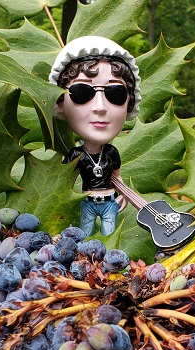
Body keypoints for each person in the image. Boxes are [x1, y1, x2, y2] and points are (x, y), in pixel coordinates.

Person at [49, 36, 141, 238]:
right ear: (60, 102)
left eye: (115, 93)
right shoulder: (76, 155)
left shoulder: (112, 153)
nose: (100, 107)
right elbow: (63, 186)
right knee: (84, 238)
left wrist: (124, 195)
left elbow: (118, 178)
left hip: (110, 203)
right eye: (82, 92)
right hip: (87, 203)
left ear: (130, 102)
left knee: (109, 239)